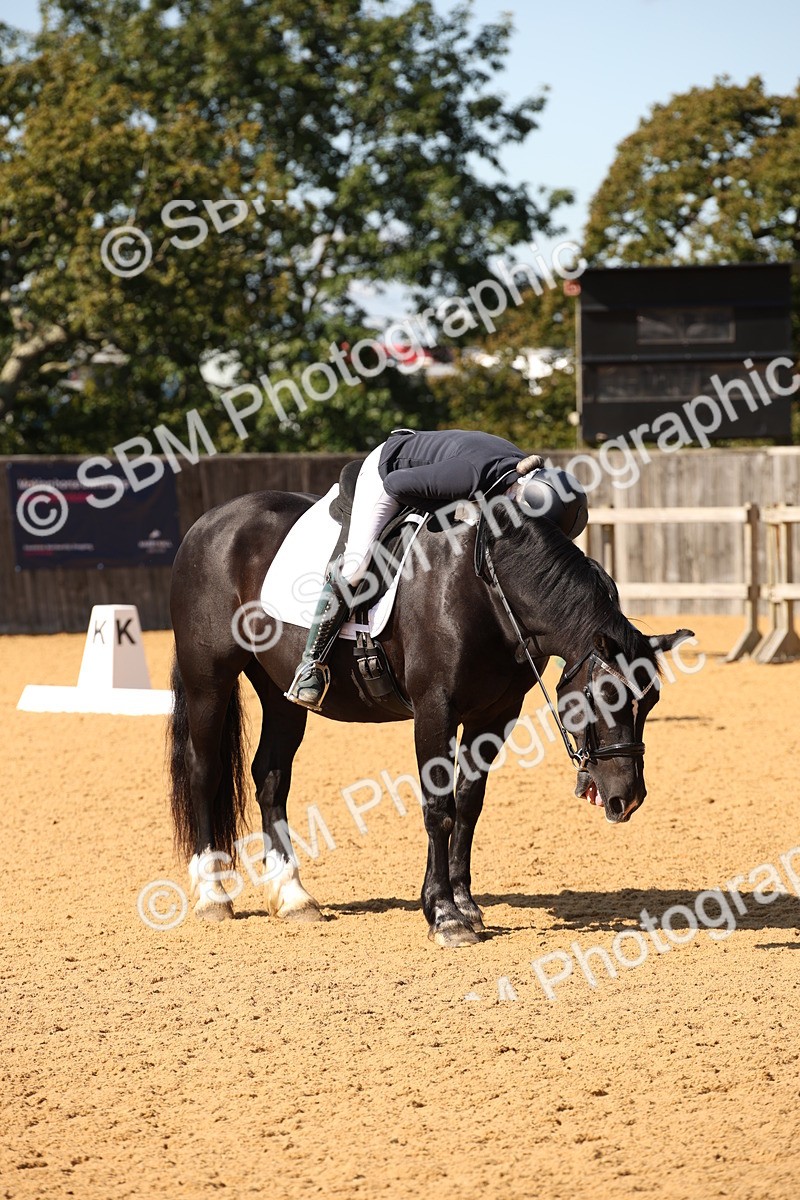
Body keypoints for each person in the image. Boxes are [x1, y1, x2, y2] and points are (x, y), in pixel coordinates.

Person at [284, 428, 571, 710]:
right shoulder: (470, 477)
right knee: (356, 568)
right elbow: (396, 485)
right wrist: (446, 505)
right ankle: (312, 663)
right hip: (387, 473)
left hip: (431, 464)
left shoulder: (522, 478)